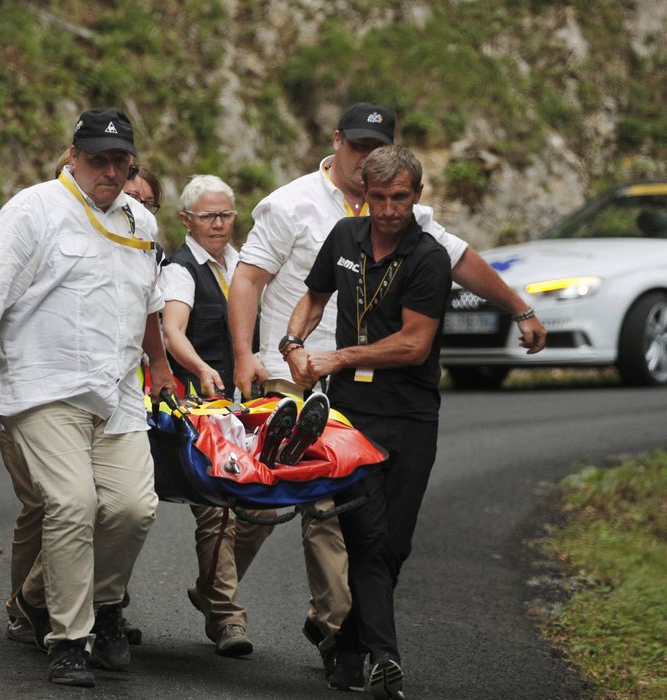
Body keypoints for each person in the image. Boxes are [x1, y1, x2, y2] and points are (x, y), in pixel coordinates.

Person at [227, 102, 548, 673]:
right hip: (291, 375)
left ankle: (340, 637)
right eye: (357, 147)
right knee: (263, 500)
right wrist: (252, 354)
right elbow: (251, 278)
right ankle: (220, 594)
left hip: (361, 383)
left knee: (342, 519)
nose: (367, 159)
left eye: (377, 148)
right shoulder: (293, 203)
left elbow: (463, 264)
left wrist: (520, 307)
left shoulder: (414, 227)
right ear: (337, 143)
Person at [0, 107, 174, 688]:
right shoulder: (34, 209)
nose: (108, 169)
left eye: (118, 160)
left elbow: (148, 305)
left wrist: (161, 364)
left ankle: (88, 603)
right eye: (96, 158)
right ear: (73, 156)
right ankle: (69, 639)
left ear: (131, 164)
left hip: (119, 391)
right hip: (43, 386)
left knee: (133, 507)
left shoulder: (139, 223)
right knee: (73, 503)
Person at [285, 145, 450, 698]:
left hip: (411, 415)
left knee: (393, 546)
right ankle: (385, 660)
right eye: (378, 198)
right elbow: (313, 297)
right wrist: (293, 342)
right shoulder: (344, 237)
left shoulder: (429, 258)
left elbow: (413, 344)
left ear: (417, 196)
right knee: (366, 538)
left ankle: (347, 644)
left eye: (399, 198)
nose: (387, 210)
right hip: (351, 417)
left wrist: (338, 357)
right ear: (366, 196)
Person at [160, 174, 274, 657]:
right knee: (215, 510)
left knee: (264, 506)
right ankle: (227, 618)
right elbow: (172, 331)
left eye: (226, 214)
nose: (219, 224)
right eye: (208, 216)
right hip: (201, 408)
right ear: (187, 220)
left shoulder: (245, 266)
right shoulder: (180, 270)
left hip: (251, 404)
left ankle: (209, 587)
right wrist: (202, 367)